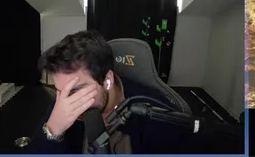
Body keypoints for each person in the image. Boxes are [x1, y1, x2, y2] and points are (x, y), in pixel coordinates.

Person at [33, 30, 190, 154]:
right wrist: (52, 131)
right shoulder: (63, 102)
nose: (68, 101)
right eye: (60, 91)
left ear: (107, 80)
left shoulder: (152, 115)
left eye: (78, 90)